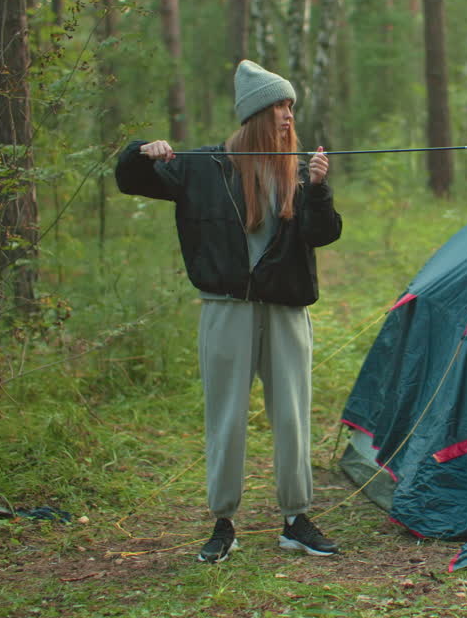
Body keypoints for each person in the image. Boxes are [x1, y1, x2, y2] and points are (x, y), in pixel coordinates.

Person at [115, 60, 344, 563]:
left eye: (290, 107)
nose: (288, 116)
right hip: (226, 310)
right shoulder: (201, 167)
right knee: (226, 418)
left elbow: (322, 234)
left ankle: (296, 519)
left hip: (285, 312)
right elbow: (130, 179)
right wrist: (141, 152)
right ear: (257, 114)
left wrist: (320, 189)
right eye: (279, 106)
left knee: (292, 415)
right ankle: (224, 523)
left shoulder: (299, 171)